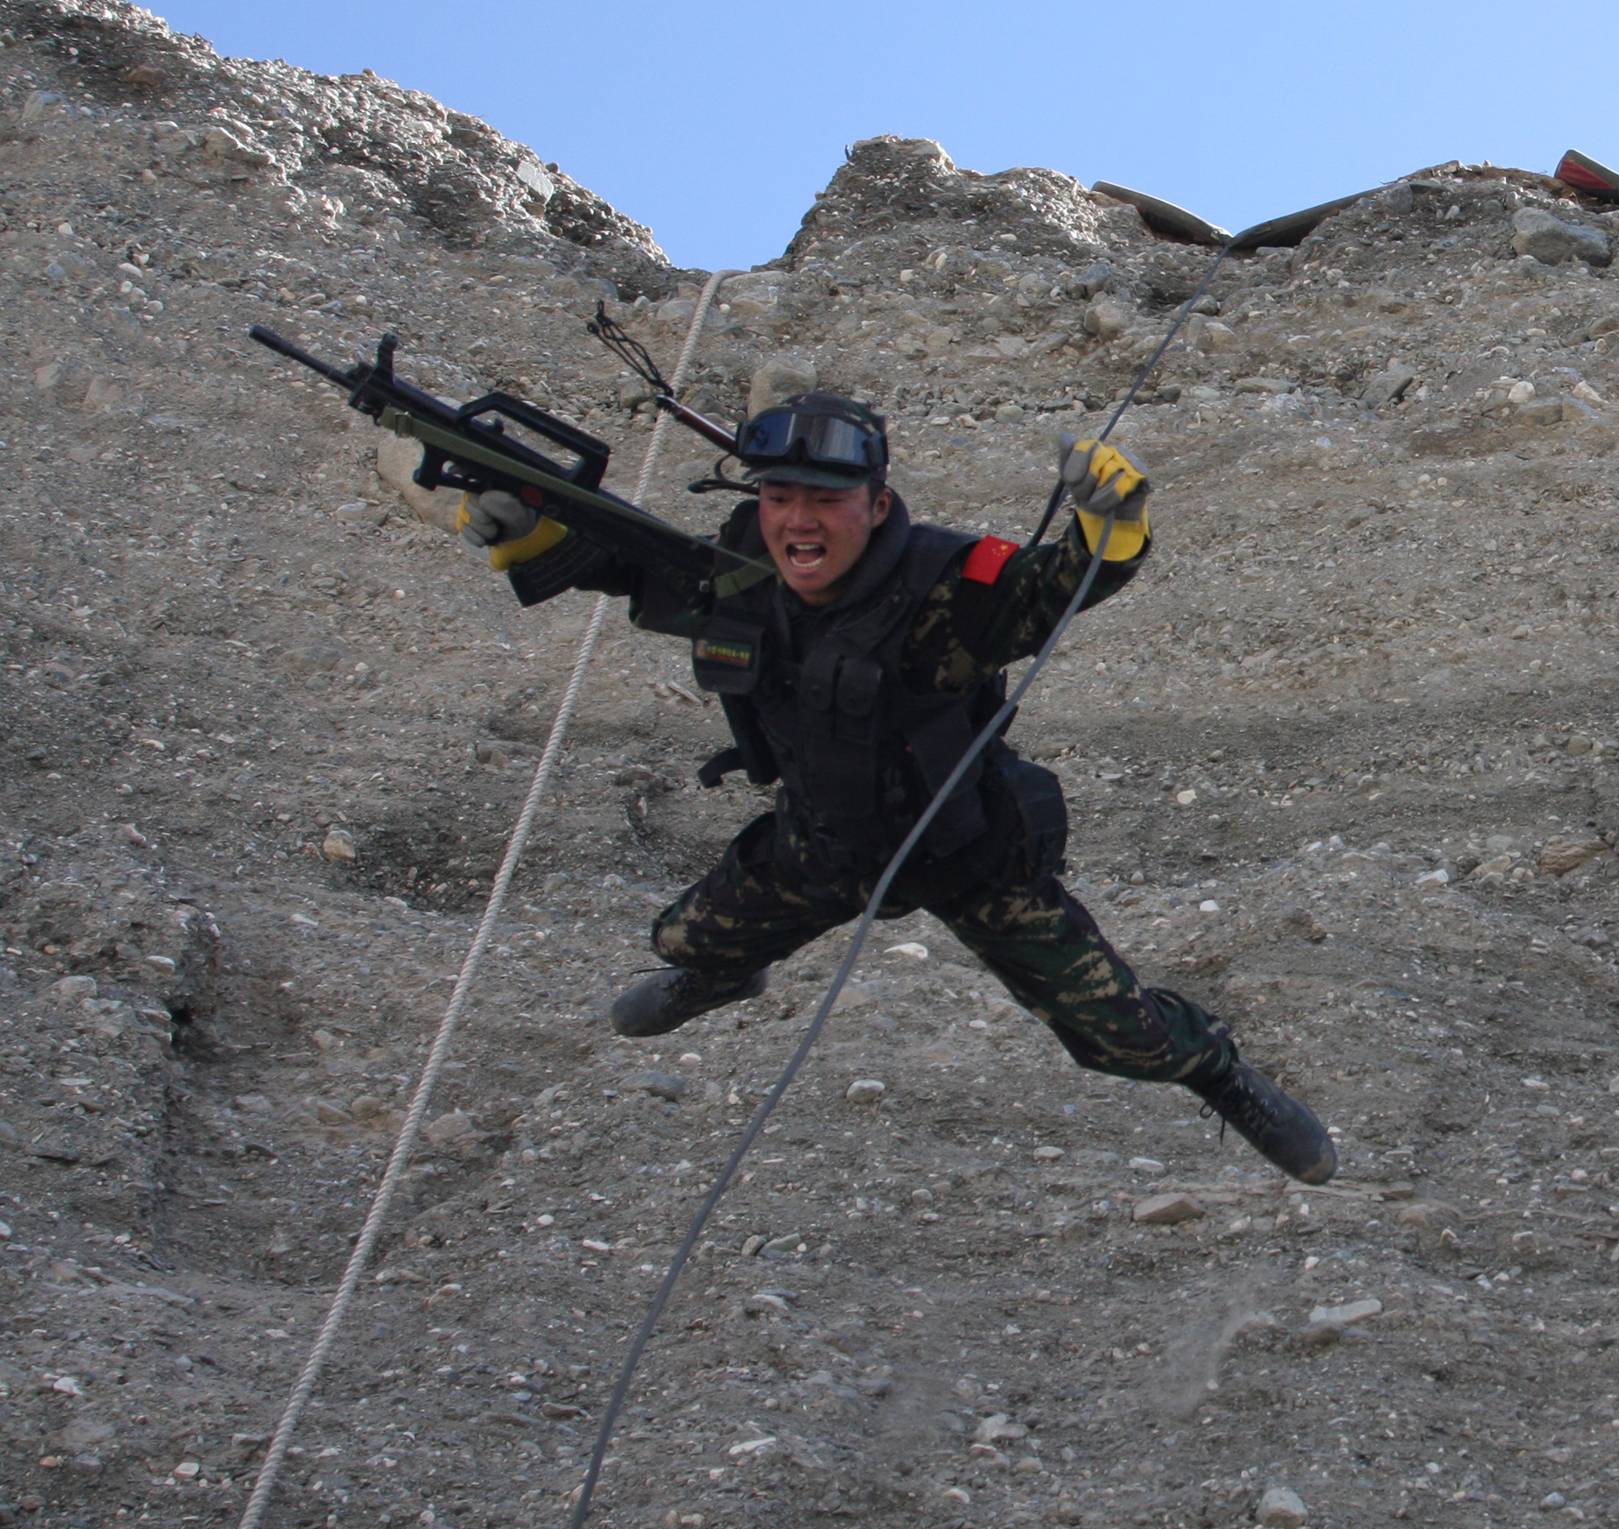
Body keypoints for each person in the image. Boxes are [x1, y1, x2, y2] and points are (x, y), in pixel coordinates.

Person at [454, 390, 1335, 1184]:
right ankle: (723, 977)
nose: (798, 520)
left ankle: (1221, 1076)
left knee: (1125, 1039)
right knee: (682, 941)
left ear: (875, 507)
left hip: (965, 854)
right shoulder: (738, 573)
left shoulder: (947, 583)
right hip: (820, 844)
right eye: (777, 497)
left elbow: (1058, 586)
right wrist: (527, 533)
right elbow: (625, 564)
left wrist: (1111, 524)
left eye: (826, 500)